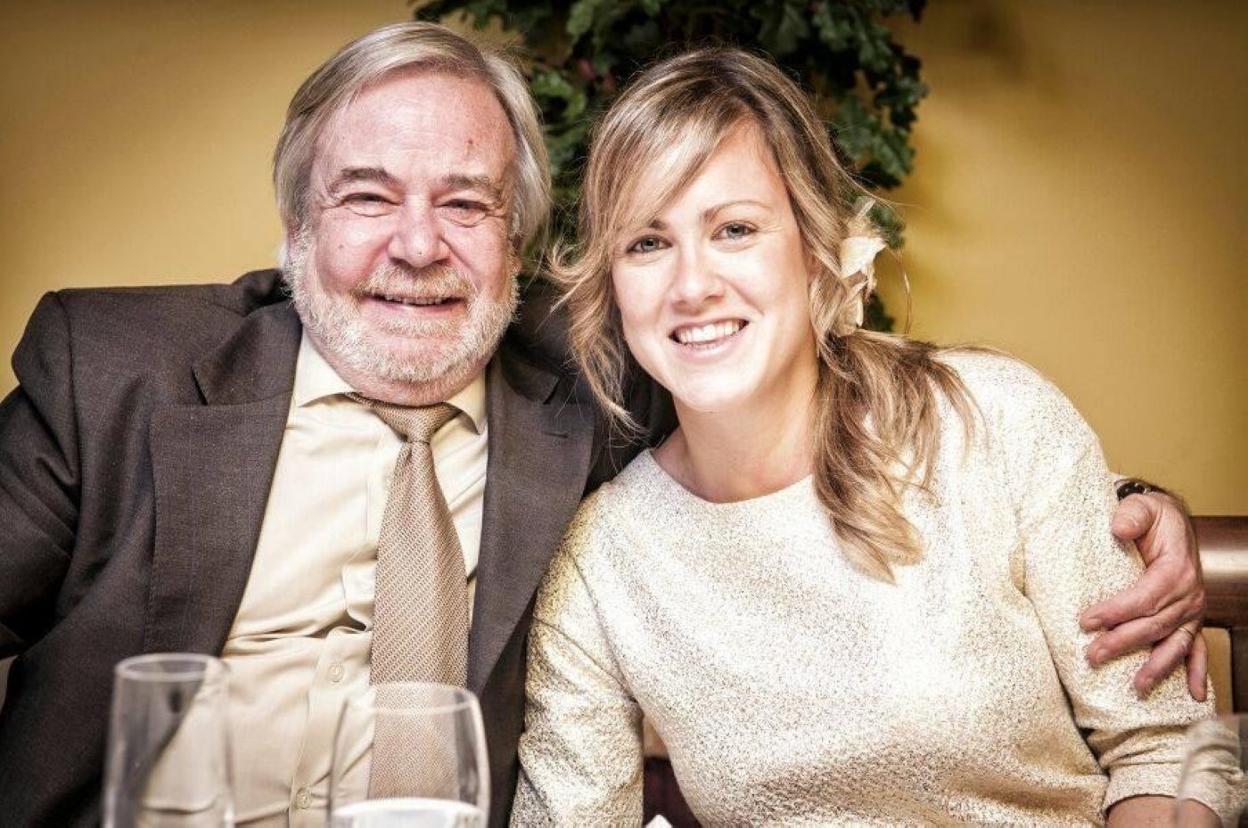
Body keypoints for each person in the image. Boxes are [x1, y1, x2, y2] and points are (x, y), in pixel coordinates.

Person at [0, 22, 1204, 828]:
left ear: (519, 249)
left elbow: (842, 414)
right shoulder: (114, 371)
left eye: (465, 203)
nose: (417, 247)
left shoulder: (585, 401)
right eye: (366, 196)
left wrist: (1126, 510)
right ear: (294, 227)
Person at [511, 48, 1225, 825]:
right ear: (611, 286)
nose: (691, 286)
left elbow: (1164, 754)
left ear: (815, 251)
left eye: (736, 229)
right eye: (647, 242)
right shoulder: (603, 558)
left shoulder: (993, 422)